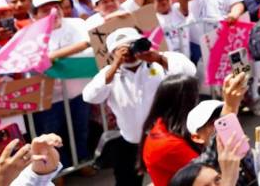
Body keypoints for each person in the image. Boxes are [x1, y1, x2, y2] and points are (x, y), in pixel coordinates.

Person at [82, 27, 197, 186]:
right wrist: (115, 65)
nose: (129, 52)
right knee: (127, 182)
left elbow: (189, 72)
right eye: (121, 49)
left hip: (166, 140)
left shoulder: (159, 61)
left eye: (132, 46)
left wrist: (158, 58)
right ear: (112, 53)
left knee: (177, 180)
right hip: (131, 142)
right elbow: (90, 96)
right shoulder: (109, 73)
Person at [31, 0, 93, 169]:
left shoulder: (78, 24)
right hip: (51, 97)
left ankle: (83, 161)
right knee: (53, 134)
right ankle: (59, 168)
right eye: (45, 10)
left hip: (79, 91)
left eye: (55, 7)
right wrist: (74, 49)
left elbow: (89, 43)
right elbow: (37, 62)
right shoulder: (31, 35)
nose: (52, 12)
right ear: (35, 16)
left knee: (80, 128)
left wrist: (54, 57)